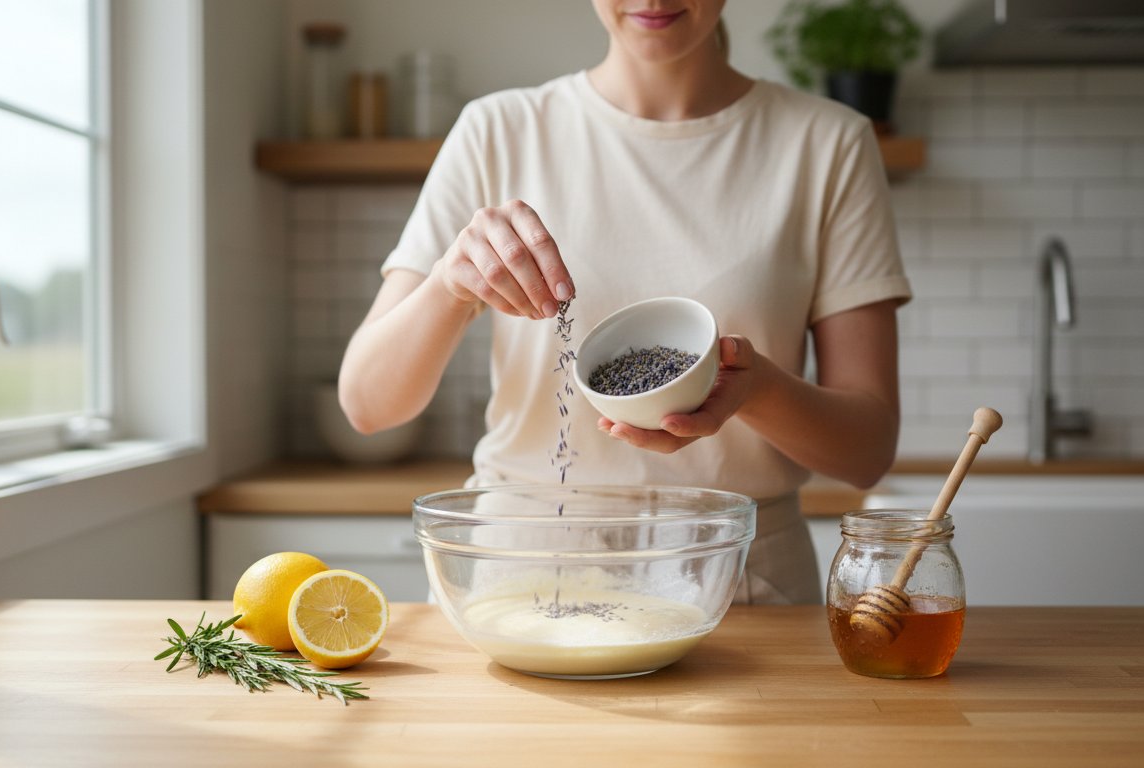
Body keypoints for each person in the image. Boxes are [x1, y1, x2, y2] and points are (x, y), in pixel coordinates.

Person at [338, 0, 912, 604]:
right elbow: (367, 405)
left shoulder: (828, 144)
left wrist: (756, 387)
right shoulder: (498, 131)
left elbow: (867, 452)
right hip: (523, 569)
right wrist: (447, 287)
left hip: (733, 578)